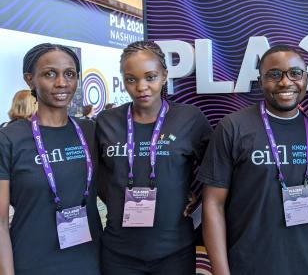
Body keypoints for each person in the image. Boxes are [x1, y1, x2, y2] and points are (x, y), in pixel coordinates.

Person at [199, 45, 308, 275]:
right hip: (249, 265)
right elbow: (212, 204)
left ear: (306, 78)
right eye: (274, 74)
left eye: (295, 73)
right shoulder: (233, 127)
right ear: (260, 80)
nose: (286, 82)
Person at [96, 41, 211, 274]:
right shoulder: (106, 121)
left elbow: (216, 171)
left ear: (165, 76)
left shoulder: (190, 119)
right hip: (118, 251)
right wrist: (117, 200)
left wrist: (195, 197)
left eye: (150, 77)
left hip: (174, 250)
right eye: (131, 79)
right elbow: (98, 175)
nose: (141, 87)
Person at [0, 43, 102, 274]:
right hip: (32, 261)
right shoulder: (8, 139)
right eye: (49, 74)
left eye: (69, 74)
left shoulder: (90, 131)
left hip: (89, 260)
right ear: (30, 79)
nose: (61, 83)